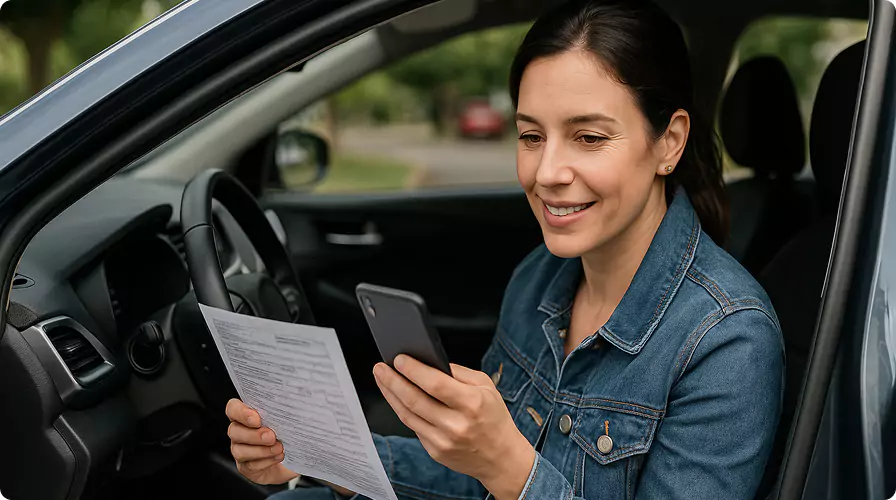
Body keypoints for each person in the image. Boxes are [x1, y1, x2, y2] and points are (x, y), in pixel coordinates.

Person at [224, 0, 785, 498]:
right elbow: (474, 480)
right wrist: (323, 458)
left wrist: (509, 467)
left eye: (589, 137)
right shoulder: (540, 276)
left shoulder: (728, 341)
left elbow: (498, 474)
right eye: (531, 135)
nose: (546, 173)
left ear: (669, 142)